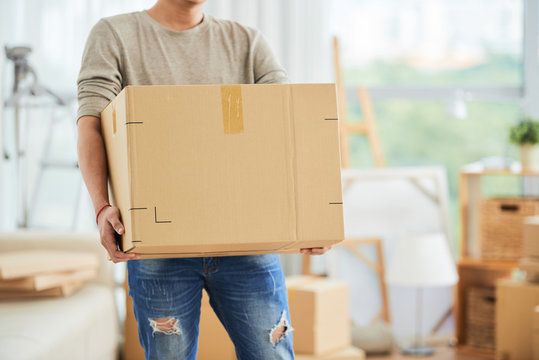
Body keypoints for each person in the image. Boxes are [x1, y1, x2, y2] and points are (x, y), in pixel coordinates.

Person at [77, 1, 331, 359]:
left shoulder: (247, 42)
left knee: (271, 354)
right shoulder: (115, 35)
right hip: (159, 246)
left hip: (248, 241)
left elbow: (286, 124)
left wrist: (311, 213)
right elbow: (91, 124)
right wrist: (102, 206)